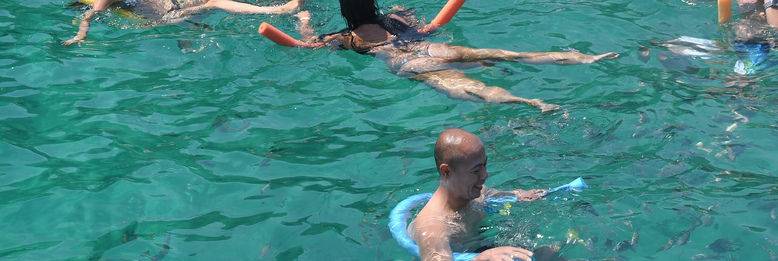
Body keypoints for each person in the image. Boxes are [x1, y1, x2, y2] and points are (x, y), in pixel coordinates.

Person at [294, 0, 617, 112]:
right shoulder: (398, 18)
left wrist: (304, 22)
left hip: (409, 63)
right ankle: (588, 59)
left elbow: (307, 46)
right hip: (433, 48)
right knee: (511, 54)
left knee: (465, 86)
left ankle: (530, 103)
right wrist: (398, 13)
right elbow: (429, 28)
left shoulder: (346, 37)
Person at [402, 128, 565, 261]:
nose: (485, 175)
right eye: (476, 170)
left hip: (474, 258)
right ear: (446, 172)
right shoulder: (433, 227)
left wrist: (520, 195)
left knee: (552, 255)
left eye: (485, 165)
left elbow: (491, 195)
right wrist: (484, 259)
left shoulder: (472, 193)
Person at [63, 0, 305, 46]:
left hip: (172, 7)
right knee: (214, 3)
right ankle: (280, 9)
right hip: (164, 16)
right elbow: (90, 15)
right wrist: (80, 35)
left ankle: (190, 30)